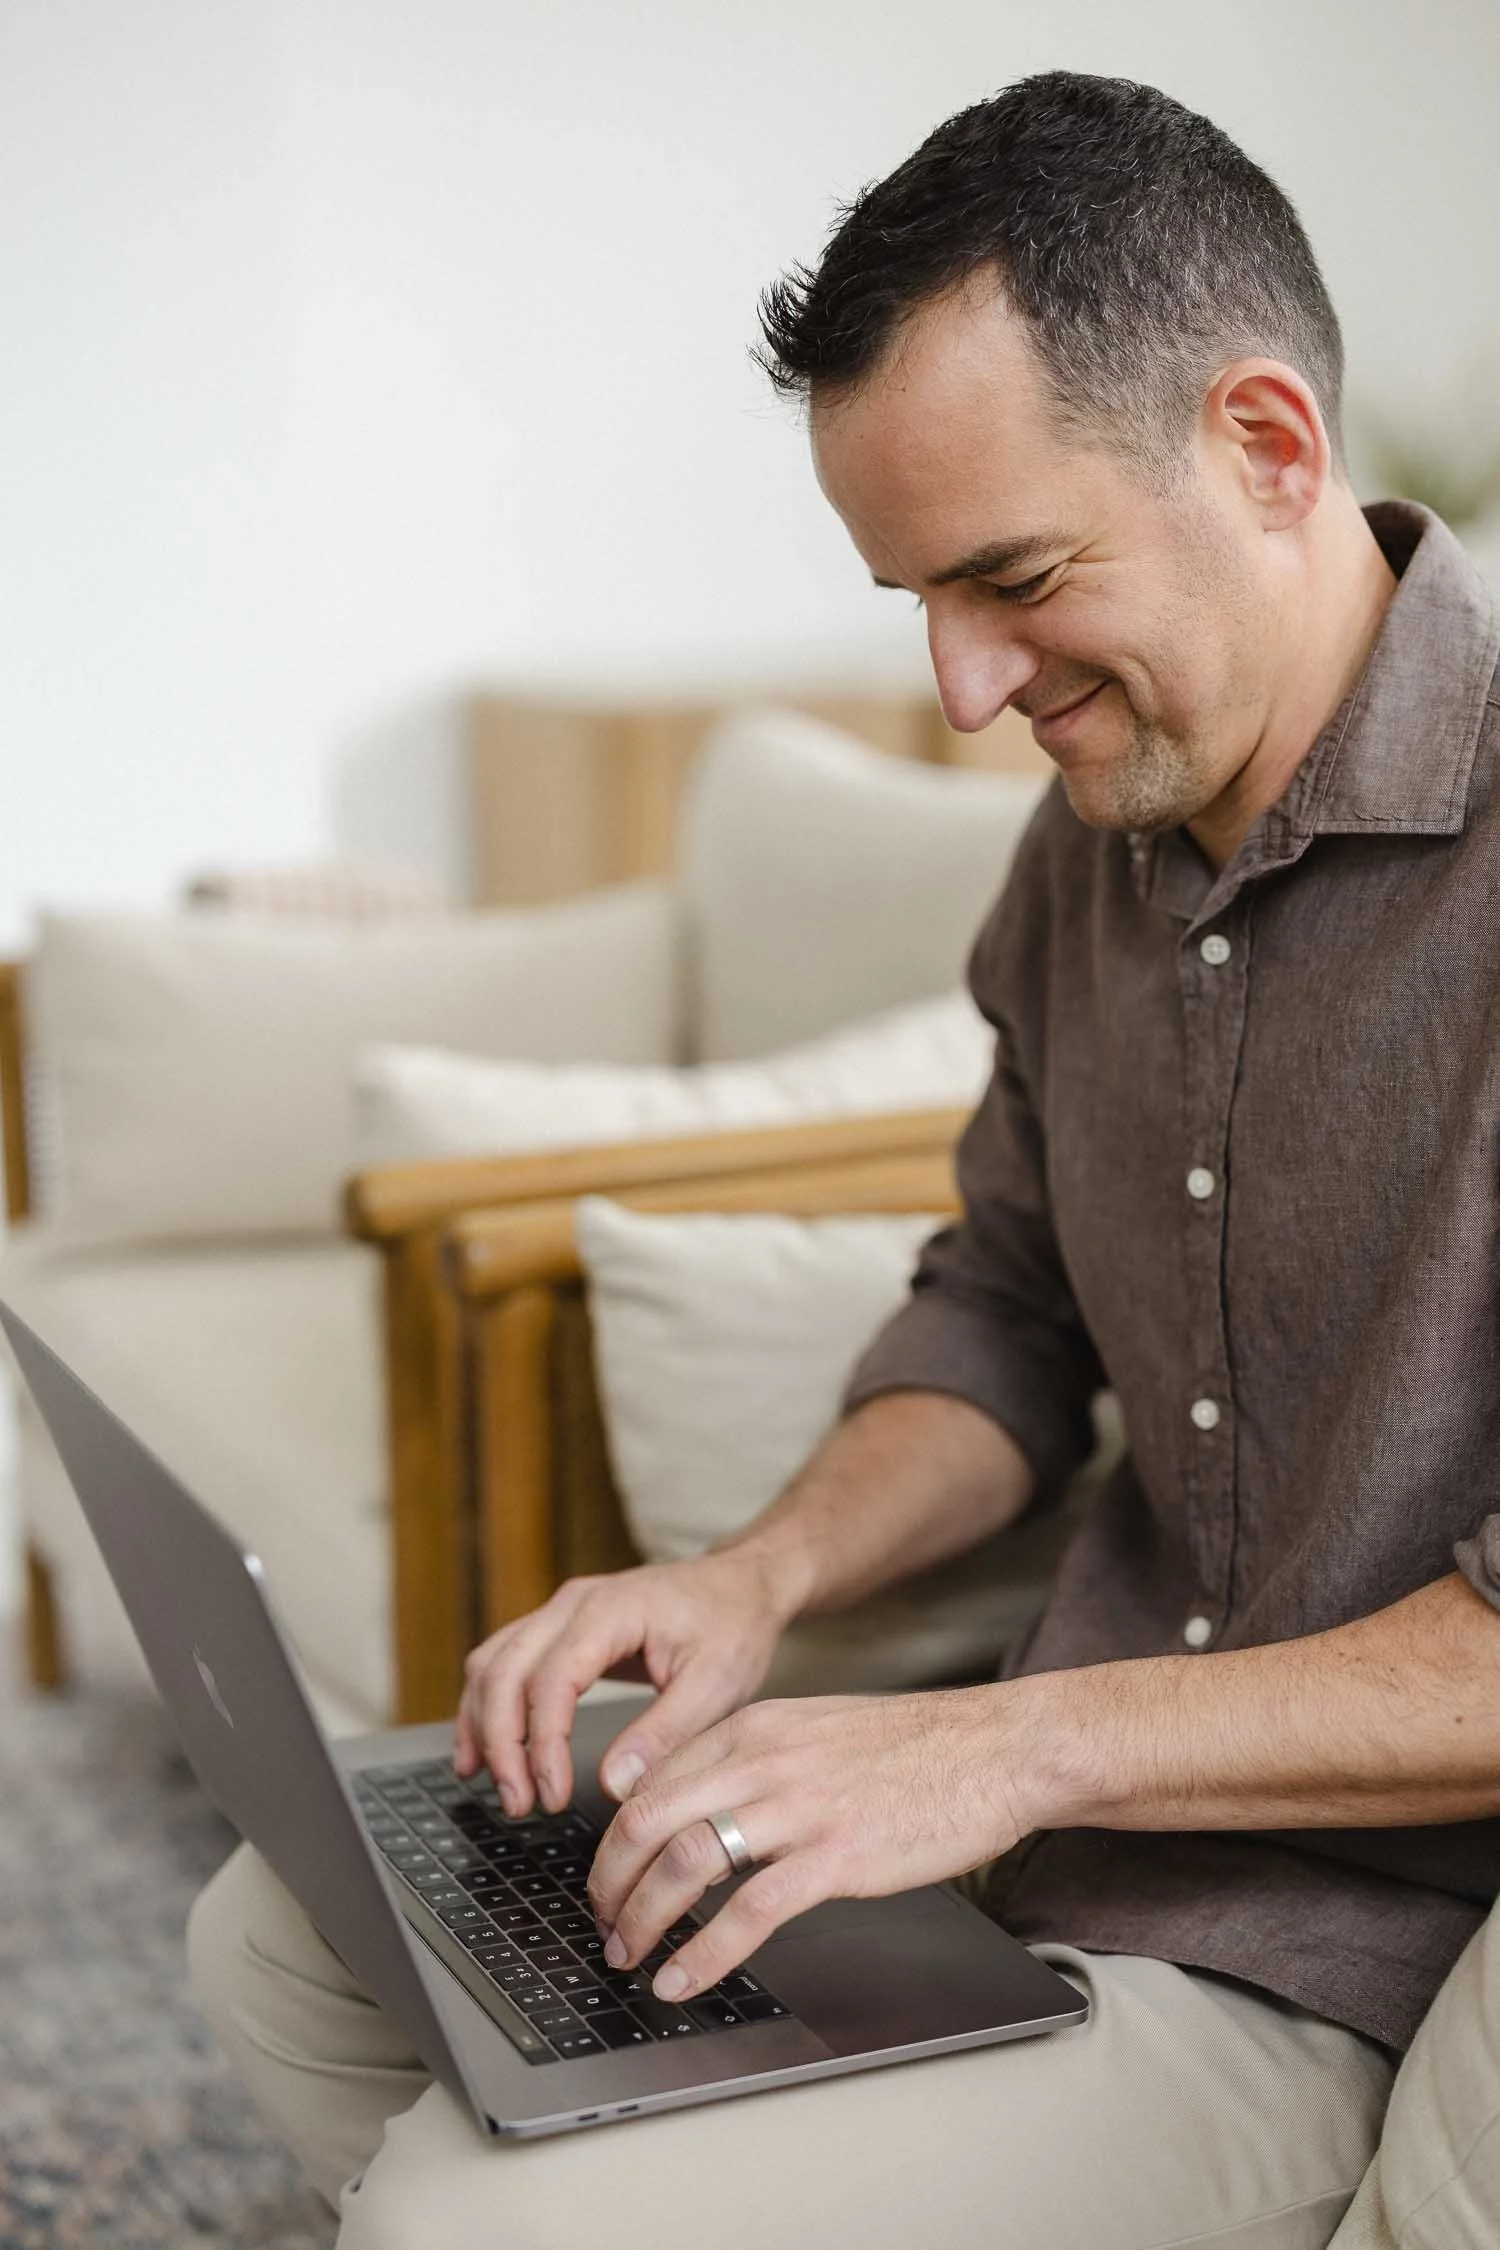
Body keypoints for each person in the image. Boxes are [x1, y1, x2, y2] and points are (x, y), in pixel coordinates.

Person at [188, 72, 1500, 2247]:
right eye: (916, 596)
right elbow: (999, 1310)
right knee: (283, 1932)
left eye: (1013, 578)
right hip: (1018, 1823)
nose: (966, 687)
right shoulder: (1088, 862)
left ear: (1266, 447)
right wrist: (756, 1582)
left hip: (1326, 1953)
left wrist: (1011, 1752)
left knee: (457, 2213)